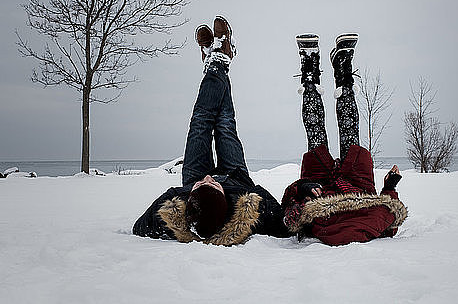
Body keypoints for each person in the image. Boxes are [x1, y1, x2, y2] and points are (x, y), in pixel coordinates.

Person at [133, 16, 290, 245]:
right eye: (213, 183)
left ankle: (216, 62)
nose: (209, 177)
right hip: (236, 179)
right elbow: (285, 225)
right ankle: (218, 61)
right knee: (224, 124)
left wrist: (176, 202)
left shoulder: (188, 201)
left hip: (192, 181)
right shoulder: (247, 206)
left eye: (202, 184)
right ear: (225, 197)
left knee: (200, 122)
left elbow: (140, 227)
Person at [281, 33, 408, 246]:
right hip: (358, 187)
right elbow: (390, 219)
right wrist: (389, 188)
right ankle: (342, 71)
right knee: (332, 134)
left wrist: (301, 189)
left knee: (318, 134)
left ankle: (312, 72)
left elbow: (288, 213)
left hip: (320, 191)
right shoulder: (371, 228)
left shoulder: (325, 230)